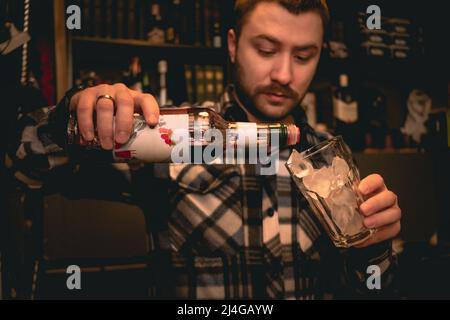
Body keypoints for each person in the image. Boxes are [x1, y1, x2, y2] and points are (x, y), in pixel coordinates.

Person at [8, 0, 401, 299]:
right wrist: (74, 121)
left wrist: (372, 251)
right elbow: (23, 167)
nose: (284, 74)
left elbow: (374, 289)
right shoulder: (169, 137)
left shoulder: (328, 158)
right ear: (232, 45)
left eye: (303, 56)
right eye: (265, 50)